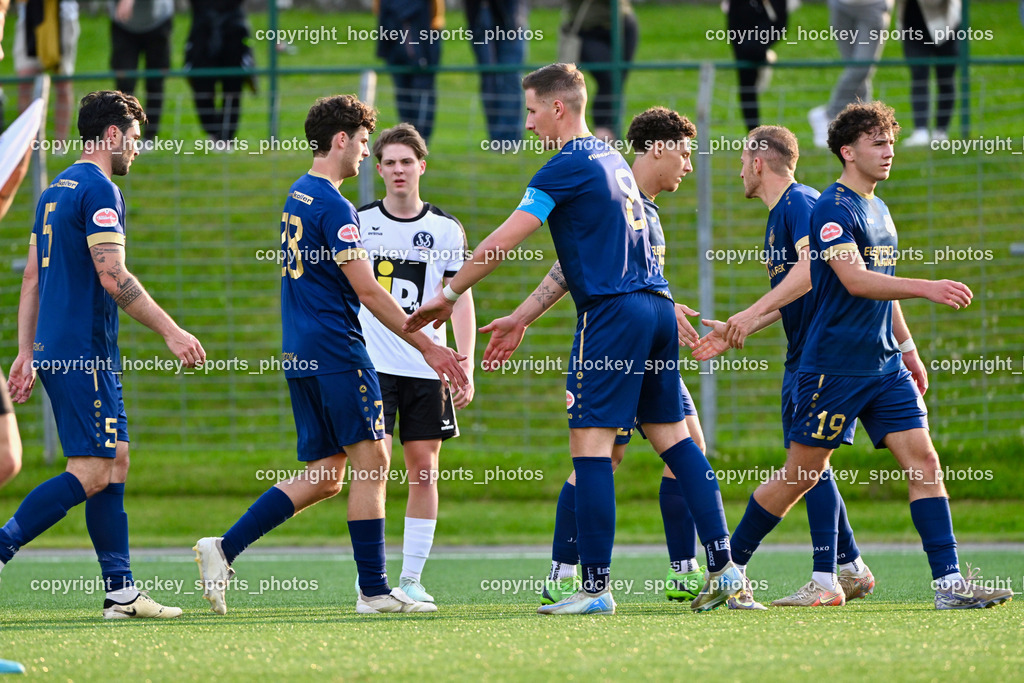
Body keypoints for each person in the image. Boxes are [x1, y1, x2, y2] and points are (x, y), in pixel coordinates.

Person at [406, 64, 744, 615]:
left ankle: (593, 588)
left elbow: (507, 238)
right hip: (657, 308)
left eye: (534, 110)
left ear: (559, 108)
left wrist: (450, 289)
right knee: (680, 444)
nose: (529, 122)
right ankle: (726, 570)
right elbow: (578, 257)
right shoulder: (614, 161)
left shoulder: (564, 165)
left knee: (592, 452)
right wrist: (521, 317)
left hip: (611, 317)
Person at [721, 101, 1012, 610]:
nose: (889, 152)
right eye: (878, 143)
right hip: (834, 366)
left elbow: (882, 290)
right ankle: (731, 567)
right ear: (847, 150)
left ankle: (948, 585)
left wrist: (909, 350)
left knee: (925, 462)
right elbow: (855, 281)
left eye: (892, 143)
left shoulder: (879, 208)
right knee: (800, 476)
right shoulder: (830, 207)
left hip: (883, 367)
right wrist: (927, 286)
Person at [192, 95, 468, 616]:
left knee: (326, 473)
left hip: (299, 349)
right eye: (365, 143)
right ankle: (375, 590)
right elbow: (368, 292)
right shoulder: (336, 207)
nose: (367, 154)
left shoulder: (297, 194)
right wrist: (430, 345)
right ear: (341, 139)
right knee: (374, 460)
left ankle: (223, 548)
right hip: (337, 350)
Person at [480, 106, 764, 609]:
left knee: (614, 449)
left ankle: (641, 578)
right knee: (623, 452)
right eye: (684, 152)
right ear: (656, 147)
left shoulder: (620, 190)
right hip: (634, 324)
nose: (689, 165)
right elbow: (569, 269)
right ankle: (573, 574)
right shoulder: (615, 185)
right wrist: (522, 317)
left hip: (628, 325)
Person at [2, 90, 206, 619]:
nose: (137, 150)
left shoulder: (53, 190)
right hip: (83, 352)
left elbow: (31, 277)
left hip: (59, 347)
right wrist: (171, 331)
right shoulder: (99, 188)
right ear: (111, 136)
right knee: (92, 469)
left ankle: (121, 592)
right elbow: (113, 276)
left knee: (115, 460)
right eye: (134, 139)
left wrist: (26, 351)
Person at [693, 125, 876, 607]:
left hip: (822, 360)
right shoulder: (780, 215)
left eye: (740, 161)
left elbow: (810, 271)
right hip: (804, 356)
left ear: (758, 162)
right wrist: (741, 329)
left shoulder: (799, 204)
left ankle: (823, 576)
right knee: (810, 464)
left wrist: (747, 315)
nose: (737, 171)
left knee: (808, 465)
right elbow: (799, 291)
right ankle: (850, 567)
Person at [355, 123, 477, 604]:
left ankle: (411, 580)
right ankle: (373, 581)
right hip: (372, 365)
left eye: (408, 161)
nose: (399, 170)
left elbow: (461, 298)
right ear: (378, 168)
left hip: (428, 367)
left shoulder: (445, 229)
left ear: (421, 166)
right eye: (389, 162)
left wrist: (464, 361)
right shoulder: (359, 222)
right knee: (375, 468)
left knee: (423, 470)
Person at [808, 0, 892, 149]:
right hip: (840, 5)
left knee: (862, 67)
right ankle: (865, 129)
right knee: (854, 69)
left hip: (873, 6)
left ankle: (829, 113)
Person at [562, 0, 638, 140]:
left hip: (623, 24)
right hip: (588, 29)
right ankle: (603, 133)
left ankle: (614, 135)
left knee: (618, 82)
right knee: (608, 79)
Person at [184, 0, 255, 143]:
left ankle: (226, 137)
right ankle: (212, 131)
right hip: (202, 28)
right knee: (201, 83)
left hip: (234, 28)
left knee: (233, 85)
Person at [376, 0, 443, 144]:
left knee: (414, 95)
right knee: (410, 96)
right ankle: (413, 141)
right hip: (414, 52)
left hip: (415, 50)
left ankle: (415, 142)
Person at [13, 0, 79, 142]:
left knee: (62, 83)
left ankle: (60, 147)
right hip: (29, 18)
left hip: (62, 17)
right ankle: (27, 144)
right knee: (25, 82)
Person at [897, 0, 961, 146]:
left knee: (945, 77)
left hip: (946, 24)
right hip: (912, 24)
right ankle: (920, 131)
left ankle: (941, 132)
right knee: (919, 74)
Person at [109, 0, 174, 141]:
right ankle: (125, 134)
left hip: (158, 21)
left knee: (155, 81)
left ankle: (149, 137)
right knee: (124, 83)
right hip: (122, 23)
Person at [465, 0, 526, 143]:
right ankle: (496, 139)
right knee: (489, 80)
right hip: (479, 18)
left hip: (511, 18)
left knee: (510, 77)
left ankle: (511, 140)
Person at [726, 0, 787, 131]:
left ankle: (762, 57)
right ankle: (753, 134)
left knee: (751, 49)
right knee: (746, 80)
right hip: (740, 16)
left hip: (767, 14)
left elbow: (780, 21)